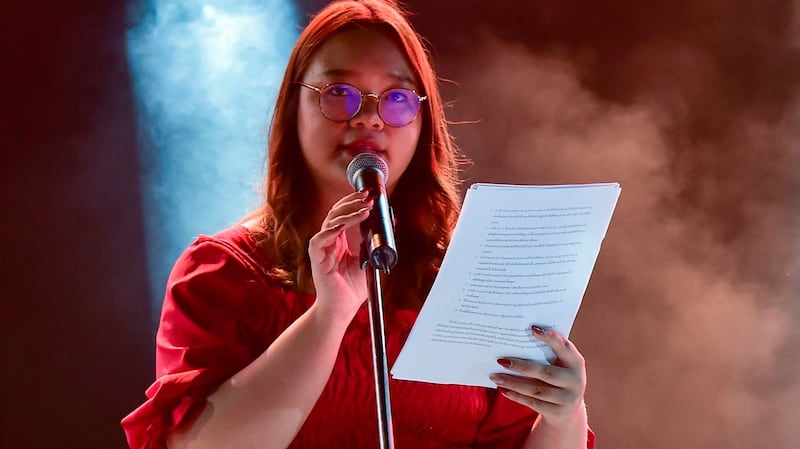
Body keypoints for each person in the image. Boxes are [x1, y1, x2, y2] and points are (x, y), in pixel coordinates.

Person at [121, 1, 595, 448]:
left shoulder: (467, 276)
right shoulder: (224, 272)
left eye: (396, 98)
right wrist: (329, 315)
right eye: (340, 94)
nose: (369, 117)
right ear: (293, 109)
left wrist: (563, 414)